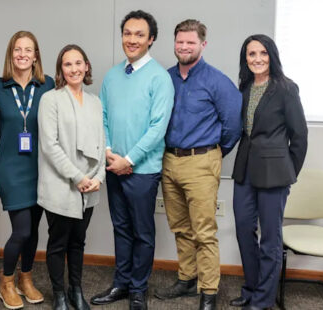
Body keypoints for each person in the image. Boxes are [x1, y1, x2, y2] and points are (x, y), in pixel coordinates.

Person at [154, 19, 242, 310]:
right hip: (169, 160)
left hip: (202, 161)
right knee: (180, 227)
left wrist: (213, 154)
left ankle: (208, 291)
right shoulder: (166, 78)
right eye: (180, 42)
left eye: (190, 42)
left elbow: (233, 126)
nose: (184, 47)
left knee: (204, 231)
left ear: (203, 45)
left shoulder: (217, 81)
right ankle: (187, 278)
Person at [90, 10, 174, 310]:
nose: (132, 39)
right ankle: (121, 284)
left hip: (142, 170)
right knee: (121, 228)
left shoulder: (160, 78)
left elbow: (158, 127)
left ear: (151, 39)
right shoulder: (112, 76)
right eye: (127, 33)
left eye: (139, 34)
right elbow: (103, 117)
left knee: (142, 231)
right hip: (114, 166)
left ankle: (139, 288)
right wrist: (109, 150)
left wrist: (130, 159)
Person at [230, 34, 308, 310]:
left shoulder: (286, 88)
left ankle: (262, 301)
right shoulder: (245, 88)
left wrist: (288, 172)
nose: (257, 59)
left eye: (262, 53)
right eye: (251, 54)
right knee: (242, 229)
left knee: (271, 238)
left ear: (271, 56)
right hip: (245, 171)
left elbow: (299, 136)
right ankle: (251, 288)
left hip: (275, 174)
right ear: (246, 59)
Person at [0, 31, 54, 309]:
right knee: (22, 230)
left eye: (28, 50)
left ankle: (25, 279)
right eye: (18, 49)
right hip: (11, 168)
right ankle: (6, 282)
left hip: (41, 167)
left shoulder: (47, 85)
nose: (23, 54)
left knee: (35, 230)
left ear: (36, 55)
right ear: (10, 54)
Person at [38, 44, 106, 310]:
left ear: (86, 66)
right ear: (61, 69)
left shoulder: (95, 101)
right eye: (68, 64)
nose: (74, 69)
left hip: (90, 186)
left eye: (79, 63)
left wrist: (98, 176)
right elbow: (49, 145)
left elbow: (102, 143)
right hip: (62, 185)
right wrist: (78, 177)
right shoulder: (51, 100)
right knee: (58, 243)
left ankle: (75, 289)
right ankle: (59, 294)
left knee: (78, 241)